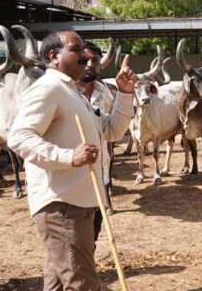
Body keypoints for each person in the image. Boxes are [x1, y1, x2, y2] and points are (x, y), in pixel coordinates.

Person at [8, 30, 136, 290]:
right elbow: (19, 137)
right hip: (62, 206)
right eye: (76, 50)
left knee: (57, 284)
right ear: (54, 56)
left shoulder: (73, 92)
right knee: (82, 284)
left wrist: (124, 94)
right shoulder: (48, 88)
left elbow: (111, 131)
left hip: (78, 202)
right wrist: (68, 157)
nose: (86, 56)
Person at [76, 40, 116, 242]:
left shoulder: (104, 92)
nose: (90, 64)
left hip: (100, 171)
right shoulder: (63, 92)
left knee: (94, 232)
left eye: (95, 60)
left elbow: (110, 128)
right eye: (85, 60)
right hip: (72, 177)